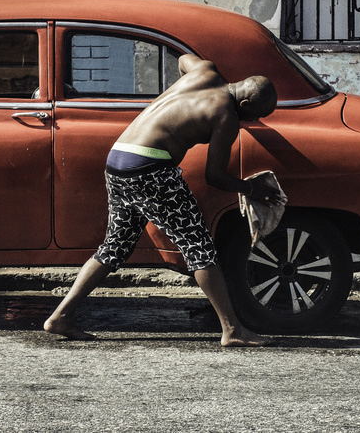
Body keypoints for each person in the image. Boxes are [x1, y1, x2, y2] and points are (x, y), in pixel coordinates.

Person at [44, 54, 281, 346]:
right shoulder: (225, 116)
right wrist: (250, 188)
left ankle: (60, 317)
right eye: (254, 115)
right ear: (244, 105)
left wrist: (180, 95)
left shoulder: (205, 71)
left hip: (118, 158)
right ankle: (232, 330)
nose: (252, 121)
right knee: (199, 247)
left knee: (114, 247)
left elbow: (183, 59)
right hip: (150, 170)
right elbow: (215, 176)